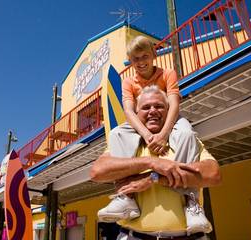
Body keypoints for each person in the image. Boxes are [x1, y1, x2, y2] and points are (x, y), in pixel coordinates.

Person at [96, 35, 209, 234]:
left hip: (168, 120)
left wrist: (164, 134)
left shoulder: (168, 74)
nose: (140, 62)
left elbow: (174, 103)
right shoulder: (128, 82)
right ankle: (127, 198)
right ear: (131, 61)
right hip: (141, 123)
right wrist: (148, 135)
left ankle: (191, 200)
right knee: (116, 134)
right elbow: (129, 111)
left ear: (154, 55)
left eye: (144, 56)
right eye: (135, 59)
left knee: (187, 133)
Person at [91, 86, 222, 240]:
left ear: (169, 112)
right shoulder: (126, 142)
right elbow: (97, 172)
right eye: (146, 107)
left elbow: (213, 174)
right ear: (136, 114)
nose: (152, 111)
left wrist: (153, 178)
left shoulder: (184, 138)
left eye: (159, 106)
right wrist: (151, 162)